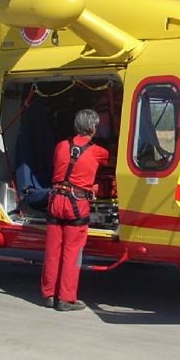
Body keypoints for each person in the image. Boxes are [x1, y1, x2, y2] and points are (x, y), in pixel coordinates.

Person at [40, 109, 109, 311]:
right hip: (77, 205)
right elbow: (110, 163)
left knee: (52, 251)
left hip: (56, 200)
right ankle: (65, 298)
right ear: (93, 128)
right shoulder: (98, 152)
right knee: (73, 252)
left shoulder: (61, 146)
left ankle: (48, 295)